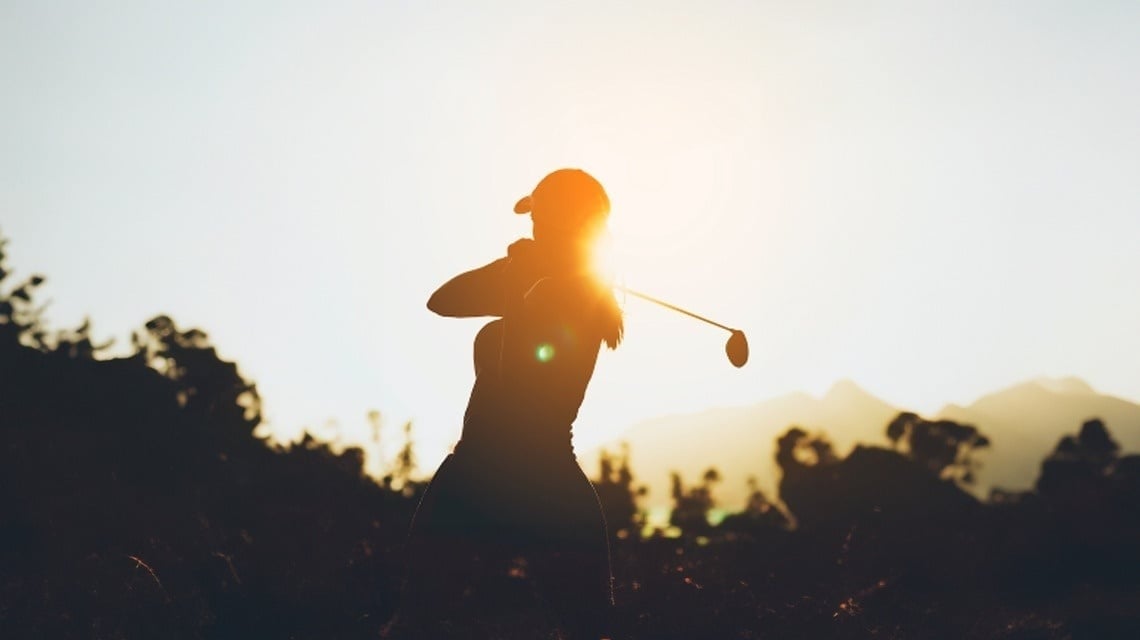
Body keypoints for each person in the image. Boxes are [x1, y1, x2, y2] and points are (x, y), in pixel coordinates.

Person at [395, 169, 623, 638]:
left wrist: (522, 281)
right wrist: (516, 274)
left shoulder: (576, 294)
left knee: (420, 624)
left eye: (540, 216)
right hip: (546, 482)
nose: (532, 226)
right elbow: (442, 300)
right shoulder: (544, 279)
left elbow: (520, 379)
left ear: (563, 220)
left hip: (490, 477)